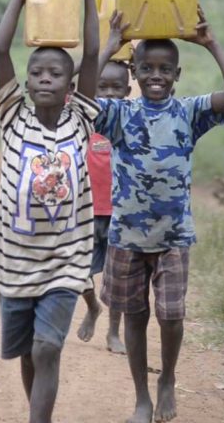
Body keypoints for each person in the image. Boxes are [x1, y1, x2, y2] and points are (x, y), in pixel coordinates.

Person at [95, 8, 224, 423]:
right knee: (135, 317)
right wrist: (110, 45)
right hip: (127, 237)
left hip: (174, 237)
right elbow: (81, 97)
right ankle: (142, 396)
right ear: (135, 73)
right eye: (146, 68)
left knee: (172, 316)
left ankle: (168, 380)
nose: (155, 76)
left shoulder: (189, 112)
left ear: (178, 75)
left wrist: (211, 43)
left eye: (165, 69)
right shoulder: (119, 114)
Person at [0, 0, 99, 423]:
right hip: (15, 259)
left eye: (55, 73)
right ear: (26, 84)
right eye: (37, 74)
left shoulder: (80, 120)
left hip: (67, 258)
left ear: (70, 85)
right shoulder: (13, 118)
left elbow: (92, 56)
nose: (45, 77)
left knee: (49, 347)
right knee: (29, 354)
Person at [75, 59, 131, 354]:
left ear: (128, 90)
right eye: (101, 87)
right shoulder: (81, 120)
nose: (109, 94)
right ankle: (92, 306)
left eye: (116, 88)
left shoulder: (129, 122)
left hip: (119, 214)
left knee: (117, 278)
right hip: (84, 212)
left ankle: (113, 332)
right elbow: (66, 84)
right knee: (77, 271)